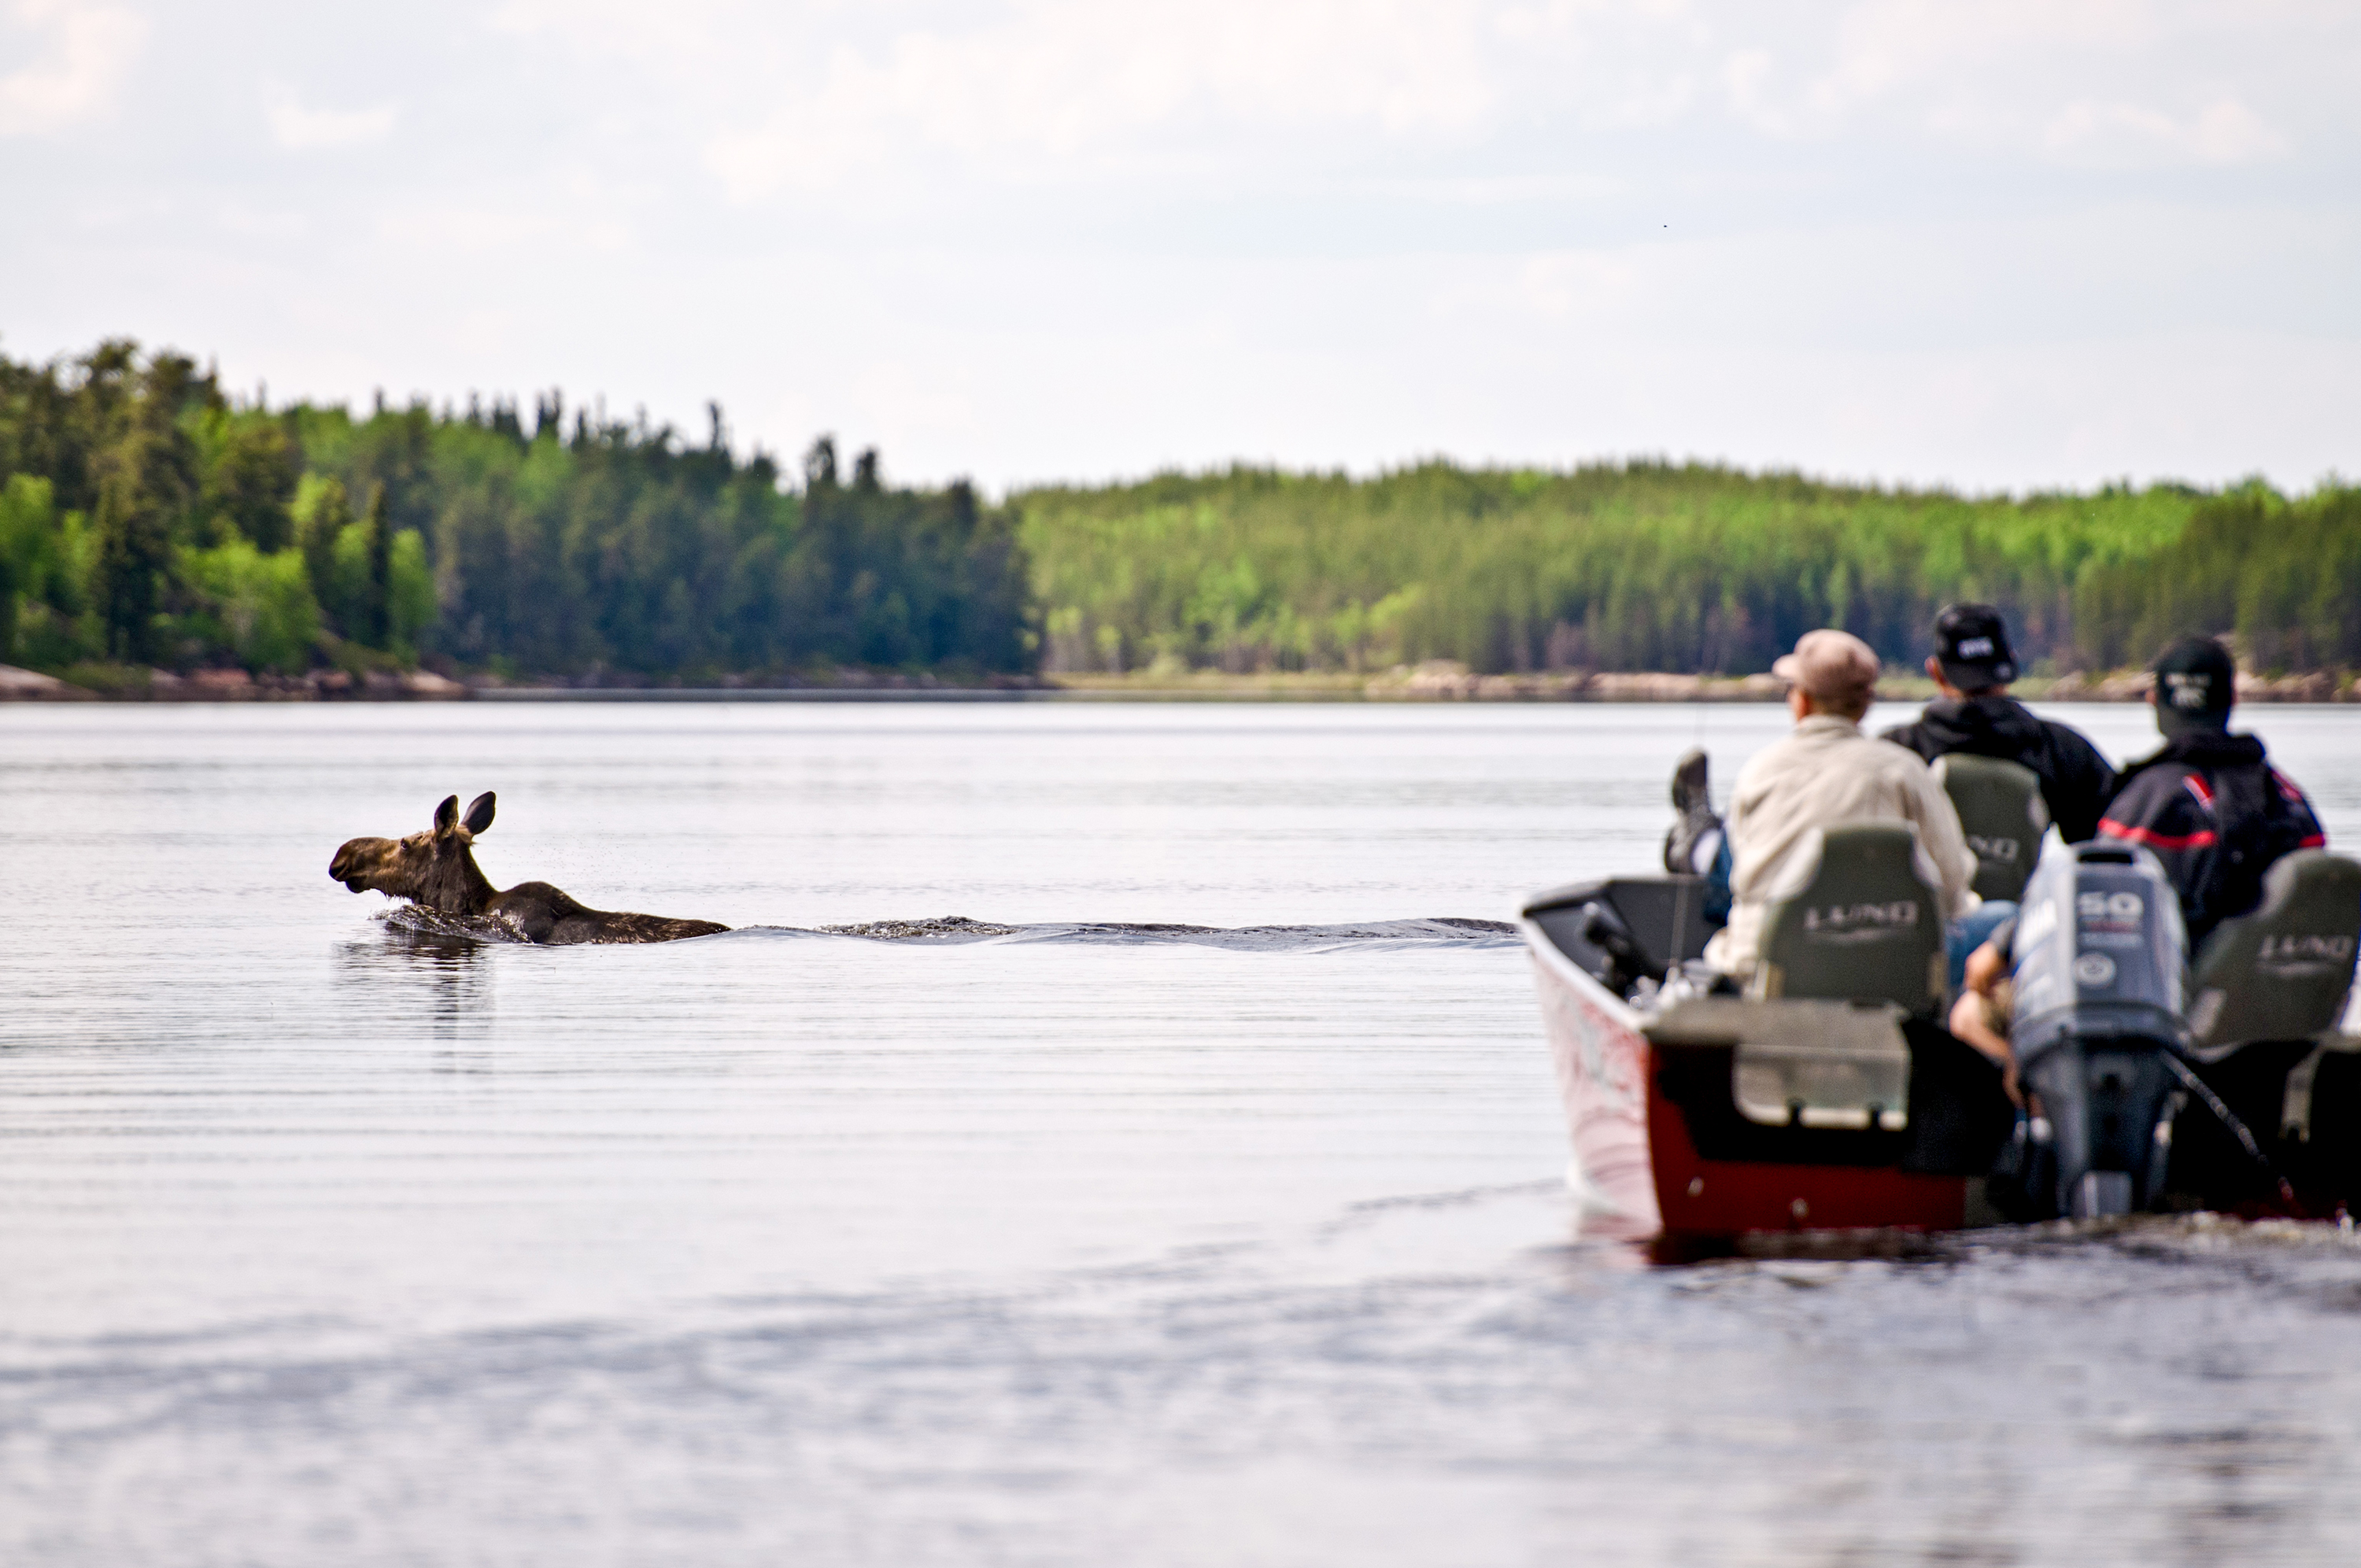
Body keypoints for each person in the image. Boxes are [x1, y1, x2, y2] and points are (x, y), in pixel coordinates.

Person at [1683, 629, 1979, 980]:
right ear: (1865, 705)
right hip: (1883, 972)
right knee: (2000, 917)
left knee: (1726, 862)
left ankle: (1693, 838)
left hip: (1766, 970)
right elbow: (1952, 886)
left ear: (1803, 701)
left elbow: (1739, 881)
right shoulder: (1905, 771)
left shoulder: (1758, 771)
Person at [2097, 635, 2327, 950]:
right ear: (2233, 698)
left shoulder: (2149, 795)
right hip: (2278, 976)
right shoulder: (2287, 794)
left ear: (2153, 699)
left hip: (2183, 983)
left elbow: (2100, 898)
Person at [1880, 603, 2115, 844]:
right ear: (2012, 663)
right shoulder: (2062, 749)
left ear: (1936, 673)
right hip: (2024, 882)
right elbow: (2108, 845)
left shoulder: (1894, 750)